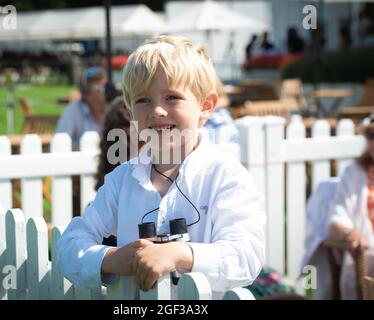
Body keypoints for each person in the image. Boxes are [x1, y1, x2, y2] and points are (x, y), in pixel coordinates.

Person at [56, 35, 266, 299]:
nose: (157, 110)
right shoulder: (122, 180)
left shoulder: (224, 176)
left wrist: (180, 254)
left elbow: (246, 256)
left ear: (206, 106)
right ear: (131, 112)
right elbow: (68, 246)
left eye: (172, 97)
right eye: (143, 100)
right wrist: (110, 258)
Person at [326, 101, 374, 299]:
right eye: (371, 136)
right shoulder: (355, 173)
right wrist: (350, 232)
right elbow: (336, 220)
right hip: (373, 252)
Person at [55, 66, 107, 150]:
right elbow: (59, 146)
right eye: (100, 89)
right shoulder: (73, 112)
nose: (105, 93)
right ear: (87, 94)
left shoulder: (114, 111)